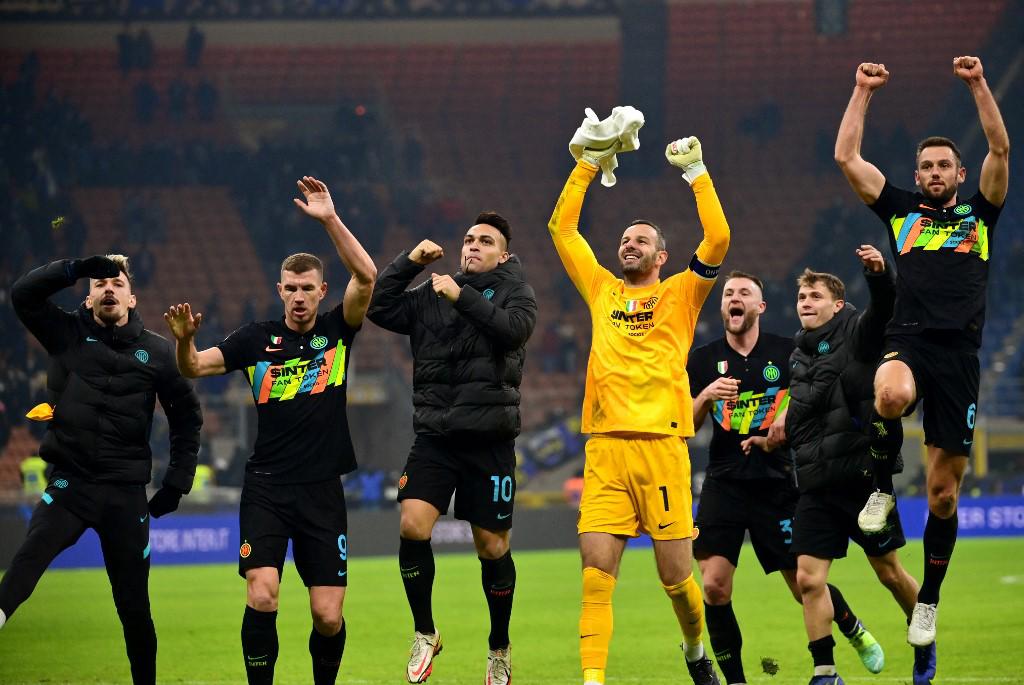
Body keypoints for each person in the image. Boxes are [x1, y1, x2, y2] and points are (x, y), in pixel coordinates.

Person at [164, 176, 377, 685]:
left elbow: (367, 277)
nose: (300, 297)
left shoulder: (336, 331)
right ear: (279, 290)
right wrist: (184, 342)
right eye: (291, 288)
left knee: (327, 615)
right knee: (262, 593)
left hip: (323, 490)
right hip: (267, 487)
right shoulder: (255, 339)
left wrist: (329, 219)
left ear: (322, 291)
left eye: (309, 289)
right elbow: (194, 367)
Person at [835, 56, 1010, 651]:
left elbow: (1001, 150)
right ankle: (881, 485)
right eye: (925, 166)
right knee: (890, 393)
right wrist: (862, 92)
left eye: (942, 165)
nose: (933, 173)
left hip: (960, 353)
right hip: (907, 339)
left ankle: (928, 600)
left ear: (959, 171)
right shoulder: (901, 209)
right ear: (917, 173)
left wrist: (978, 85)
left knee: (943, 494)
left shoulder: (979, 213)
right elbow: (847, 159)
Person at [549, 132, 728, 685]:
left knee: (677, 580)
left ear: (661, 255)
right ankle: (592, 679)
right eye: (625, 238)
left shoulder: (681, 293)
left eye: (641, 240)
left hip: (664, 449)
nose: (630, 244)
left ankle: (696, 648)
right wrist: (585, 165)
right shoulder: (600, 289)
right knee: (596, 576)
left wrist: (697, 172)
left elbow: (718, 238)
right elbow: (562, 229)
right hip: (605, 448)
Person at [1, 254, 202, 685]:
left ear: (132, 298)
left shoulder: (160, 352)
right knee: (27, 559)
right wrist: (75, 266)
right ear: (88, 297)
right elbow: (22, 294)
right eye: (98, 283)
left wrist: (176, 483)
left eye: (116, 283)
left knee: (134, 607)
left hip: (125, 494)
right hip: (70, 485)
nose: (108, 288)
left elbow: (188, 418)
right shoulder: (65, 334)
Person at [366, 211, 537, 685]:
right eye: (468, 239)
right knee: (412, 524)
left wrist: (460, 296)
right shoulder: (433, 292)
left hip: (490, 441)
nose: (472, 246)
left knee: (492, 547)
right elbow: (379, 308)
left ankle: (498, 647)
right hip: (436, 436)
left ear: (504, 254)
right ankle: (425, 632)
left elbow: (513, 332)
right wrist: (407, 263)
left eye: (485, 241)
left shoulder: (516, 292)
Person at [688, 271, 883, 685]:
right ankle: (736, 681)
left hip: (776, 483)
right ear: (721, 306)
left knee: (803, 585)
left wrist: (782, 418)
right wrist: (705, 395)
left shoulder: (787, 351)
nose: (733, 298)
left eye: (744, 293)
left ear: (760, 306)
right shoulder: (701, 359)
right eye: (728, 294)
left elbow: (810, 395)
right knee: (714, 587)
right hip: (723, 482)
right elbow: (682, 423)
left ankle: (851, 625)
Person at [785, 251, 923, 685]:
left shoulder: (857, 334)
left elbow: (883, 310)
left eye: (815, 296)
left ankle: (923, 634)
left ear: (837, 305)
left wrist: (878, 277)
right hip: (817, 486)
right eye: (802, 296)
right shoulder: (798, 353)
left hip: (864, 482)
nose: (806, 302)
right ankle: (825, 673)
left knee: (889, 573)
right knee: (809, 580)